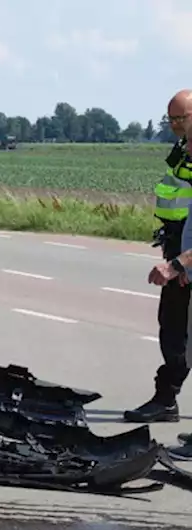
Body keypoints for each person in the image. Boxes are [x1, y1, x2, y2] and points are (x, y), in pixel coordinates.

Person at [125, 89, 192, 423]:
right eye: (171, 119)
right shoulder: (182, 149)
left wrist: (181, 262)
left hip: (186, 252)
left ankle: (166, 398)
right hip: (179, 242)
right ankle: (166, 398)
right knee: (173, 327)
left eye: (181, 118)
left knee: (177, 330)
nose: (175, 125)